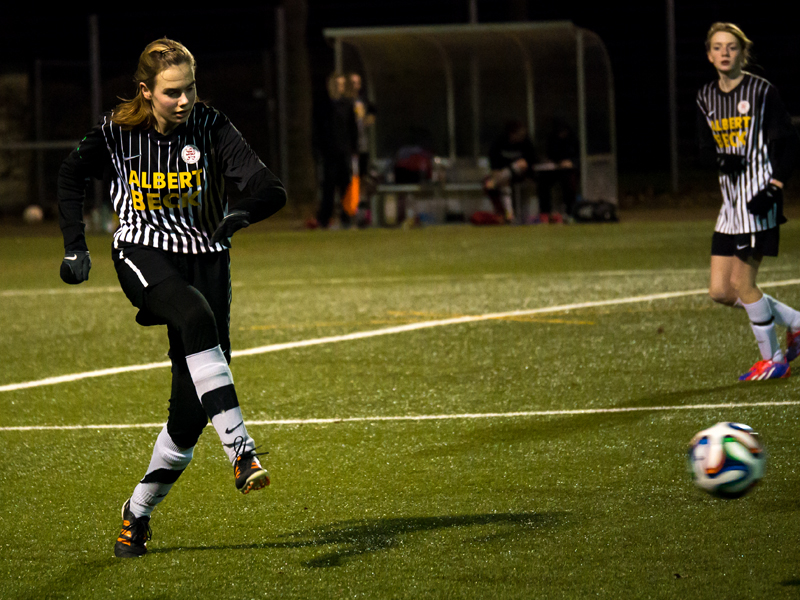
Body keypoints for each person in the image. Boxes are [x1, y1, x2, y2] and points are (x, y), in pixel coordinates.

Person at [57, 38, 287, 558]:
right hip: (141, 250)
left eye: (189, 89)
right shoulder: (117, 133)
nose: (183, 101)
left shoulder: (212, 126)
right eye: (172, 92)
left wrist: (238, 215)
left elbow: (269, 187)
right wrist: (75, 246)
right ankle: (243, 453)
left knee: (189, 413)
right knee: (193, 313)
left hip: (206, 258)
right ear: (146, 91)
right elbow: (71, 173)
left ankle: (136, 512)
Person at [697, 22, 800, 381]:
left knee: (743, 284)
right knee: (721, 291)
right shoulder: (706, 97)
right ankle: (796, 323)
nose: (725, 53)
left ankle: (773, 360)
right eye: (718, 47)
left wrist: (774, 187)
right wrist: (720, 158)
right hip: (730, 208)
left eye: (732, 47)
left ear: (743, 53)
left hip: (759, 201)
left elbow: (789, 143)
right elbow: (705, 146)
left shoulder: (761, 91)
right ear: (709, 55)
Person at [311, 72, 358, 229]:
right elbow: (316, 130)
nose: (340, 88)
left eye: (342, 85)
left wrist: (353, 149)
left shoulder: (347, 105)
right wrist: (318, 151)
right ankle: (324, 219)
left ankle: (346, 218)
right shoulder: (322, 105)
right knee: (328, 187)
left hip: (343, 152)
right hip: (328, 152)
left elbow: (352, 129)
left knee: (346, 186)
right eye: (337, 84)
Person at [483, 120, 537, 223]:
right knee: (503, 184)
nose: (522, 136)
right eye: (519, 134)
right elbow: (494, 164)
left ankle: (496, 182)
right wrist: (497, 173)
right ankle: (509, 216)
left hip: (521, 176)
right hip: (504, 177)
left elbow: (531, 162)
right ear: (512, 134)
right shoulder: (499, 142)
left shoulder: (526, 143)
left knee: (518, 165)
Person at [536, 118, 579, 222]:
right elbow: (549, 154)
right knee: (542, 182)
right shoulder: (552, 138)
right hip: (554, 170)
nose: (562, 134)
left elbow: (578, 157)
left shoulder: (573, 139)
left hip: (568, 171)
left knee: (569, 182)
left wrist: (570, 162)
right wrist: (551, 161)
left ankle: (569, 213)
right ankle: (545, 212)